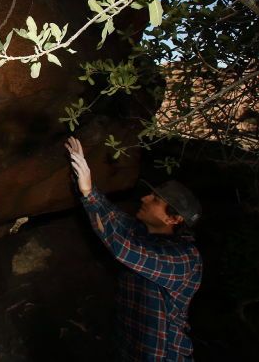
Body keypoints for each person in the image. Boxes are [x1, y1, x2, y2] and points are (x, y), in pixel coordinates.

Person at [65, 137, 203, 361]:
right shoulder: (144, 235)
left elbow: (123, 248)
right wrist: (82, 176)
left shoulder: (185, 260)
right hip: (128, 351)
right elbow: (111, 216)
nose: (145, 198)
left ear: (174, 219)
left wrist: (89, 191)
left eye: (156, 200)